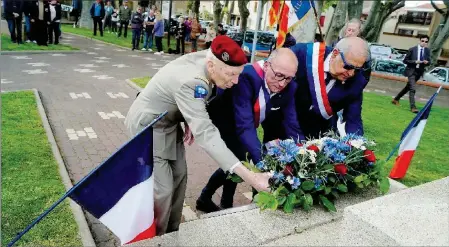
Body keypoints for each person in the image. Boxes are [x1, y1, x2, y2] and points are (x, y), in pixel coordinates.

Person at [124, 35, 270, 236]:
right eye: (231, 74)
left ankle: (171, 233)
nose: (235, 81)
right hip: (148, 127)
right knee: (162, 190)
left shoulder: (212, 60)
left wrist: (188, 116)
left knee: (180, 177)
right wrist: (251, 177)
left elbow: (196, 100)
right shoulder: (193, 82)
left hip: (169, 122)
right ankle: (152, 239)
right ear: (211, 66)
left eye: (238, 75)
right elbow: (206, 134)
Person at [196, 48, 301, 212]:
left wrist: (303, 150)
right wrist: (263, 164)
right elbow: (244, 126)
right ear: (266, 66)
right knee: (238, 159)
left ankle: (226, 203)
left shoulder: (290, 86)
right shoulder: (247, 77)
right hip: (225, 117)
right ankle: (205, 197)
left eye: (288, 78)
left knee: (241, 156)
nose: (282, 83)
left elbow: (291, 122)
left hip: (246, 121)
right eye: (279, 76)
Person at [392, 35, 431, 113]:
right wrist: (415, 61)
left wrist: (427, 62)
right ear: (419, 41)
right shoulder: (412, 49)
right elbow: (405, 61)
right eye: (422, 41)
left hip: (419, 72)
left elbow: (429, 62)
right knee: (412, 88)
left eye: (426, 42)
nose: (424, 43)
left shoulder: (427, 51)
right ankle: (413, 107)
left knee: (408, 87)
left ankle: (396, 99)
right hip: (411, 71)